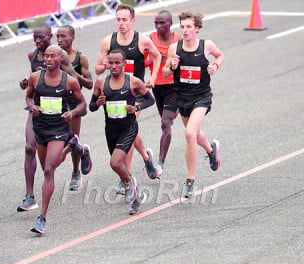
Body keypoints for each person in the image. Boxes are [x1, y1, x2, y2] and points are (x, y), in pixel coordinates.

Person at [95, 4, 161, 194]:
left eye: (125, 19)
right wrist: (104, 64)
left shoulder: (142, 40)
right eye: (118, 19)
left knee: (127, 130)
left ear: (132, 20)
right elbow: (98, 69)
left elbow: (157, 56)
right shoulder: (108, 42)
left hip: (135, 93)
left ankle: (127, 179)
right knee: (130, 132)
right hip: (115, 94)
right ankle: (147, 158)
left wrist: (153, 77)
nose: (121, 23)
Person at [26, 45, 92, 234]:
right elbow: (28, 98)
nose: (48, 59)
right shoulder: (36, 78)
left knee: (49, 169)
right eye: (46, 56)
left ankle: (42, 218)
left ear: (61, 59)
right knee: (46, 167)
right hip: (41, 128)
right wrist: (32, 107)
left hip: (59, 128)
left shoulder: (69, 81)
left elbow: (82, 103)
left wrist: (72, 112)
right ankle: (78, 147)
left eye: (53, 56)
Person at [17, 23, 78, 212]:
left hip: (57, 115)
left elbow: (75, 79)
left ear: (50, 37)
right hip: (37, 111)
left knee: (51, 164)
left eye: (41, 38)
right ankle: (30, 196)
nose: (37, 41)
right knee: (29, 148)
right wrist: (26, 84)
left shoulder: (61, 55)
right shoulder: (32, 55)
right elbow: (32, 82)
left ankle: (73, 146)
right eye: (35, 37)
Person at [162, 12, 224, 198]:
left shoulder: (207, 46)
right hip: (183, 97)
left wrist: (215, 66)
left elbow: (220, 56)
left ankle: (190, 180)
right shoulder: (175, 48)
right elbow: (165, 73)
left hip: (202, 97)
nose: (185, 30)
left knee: (189, 134)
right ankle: (211, 150)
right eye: (182, 27)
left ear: (196, 28)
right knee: (195, 133)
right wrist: (171, 66)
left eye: (189, 27)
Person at [90, 49, 155, 215]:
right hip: (111, 129)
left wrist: (136, 107)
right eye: (110, 63)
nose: (113, 66)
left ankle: (130, 183)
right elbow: (91, 106)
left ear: (124, 64)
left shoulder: (133, 82)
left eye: (117, 63)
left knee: (115, 162)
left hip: (129, 127)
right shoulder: (101, 83)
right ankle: (137, 196)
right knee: (119, 165)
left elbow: (150, 99)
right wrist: (98, 102)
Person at [145, 10, 181, 178]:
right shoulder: (150, 39)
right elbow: (142, 60)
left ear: (170, 23)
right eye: (156, 23)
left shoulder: (178, 40)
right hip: (157, 88)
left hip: (175, 88)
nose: (159, 27)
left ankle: (160, 164)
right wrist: (150, 61)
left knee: (165, 123)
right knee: (164, 122)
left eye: (162, 23)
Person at [57, 25, 93, 190]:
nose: (60, 40)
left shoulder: (80, 58)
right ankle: (84, 151)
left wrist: (72, 72)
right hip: (57, 103)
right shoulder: (54, 56)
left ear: (72, 38)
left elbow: (90, 84)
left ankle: (75, 172)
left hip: (74, 103)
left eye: (63, 36)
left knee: (73, 139)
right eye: (58, 37)